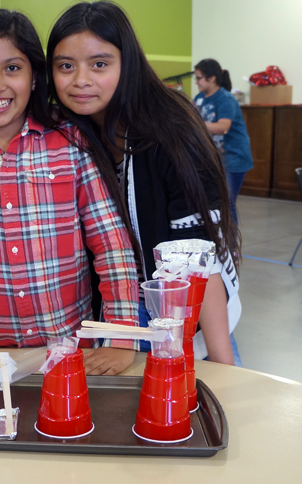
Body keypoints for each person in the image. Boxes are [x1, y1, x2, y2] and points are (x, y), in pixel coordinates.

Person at [0, 8, 140, 375]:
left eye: (13, 68)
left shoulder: (70, 139)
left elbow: (110, 242)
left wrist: (119, 336)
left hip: (67, 349)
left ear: (35, 77)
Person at [45, 1, 241, 365]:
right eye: (65, 66)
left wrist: (222, 365)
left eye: (99, 64)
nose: (80, 79)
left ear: (127, 63)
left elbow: (199, 260)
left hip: (186, 309)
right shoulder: (67, 129)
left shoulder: (172, 131)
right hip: (114, 311)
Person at [193, 58, 254, 225]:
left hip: (234, 159)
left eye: (199, 78)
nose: (196, 82)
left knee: (226, 204)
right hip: (214, 159)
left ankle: (231, 246)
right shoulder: (199, 98)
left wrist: (195, 123)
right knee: (213, 203)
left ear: (211, 78)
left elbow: (223, 127)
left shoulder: (225, 99)